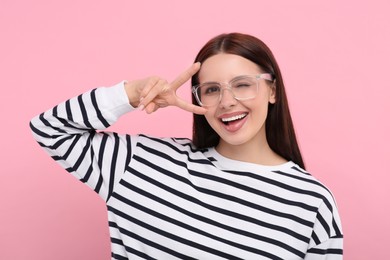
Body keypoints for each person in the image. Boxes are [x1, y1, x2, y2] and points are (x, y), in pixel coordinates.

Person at [30, 32, 343, 259]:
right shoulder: (140, 163)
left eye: (243, 85)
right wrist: (130, 93)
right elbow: (50, 129)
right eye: (211, 90)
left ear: (272, 91)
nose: (227, 102)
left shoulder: (312, 201)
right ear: (197, 99)